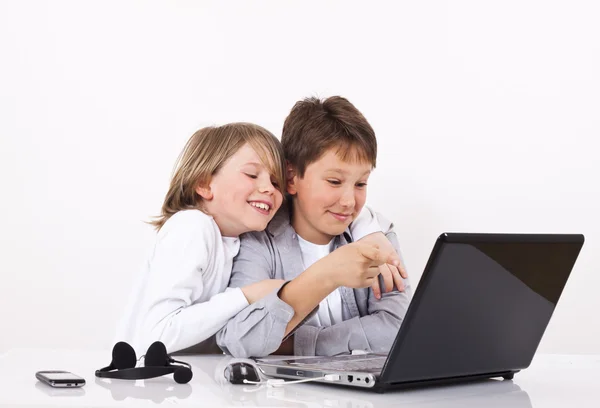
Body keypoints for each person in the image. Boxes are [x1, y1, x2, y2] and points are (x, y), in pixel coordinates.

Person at [114, 122, 398, 356]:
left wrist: (368, 227)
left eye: (275, 182)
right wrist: (246, 294)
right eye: (252, 174)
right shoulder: (192, 227)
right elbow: (156, 335)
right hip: (144, 381)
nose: (269, 189)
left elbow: (326, 205)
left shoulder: (236, 238)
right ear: (203, 183)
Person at [217, 96, 412, 358]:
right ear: (292, 178)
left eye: (361, 184)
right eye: (334, 181)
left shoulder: (377, 238)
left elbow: (397, 331)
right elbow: (240, 340)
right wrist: (326, 275)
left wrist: (294, 344)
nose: (349, 201)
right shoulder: (257, 240)